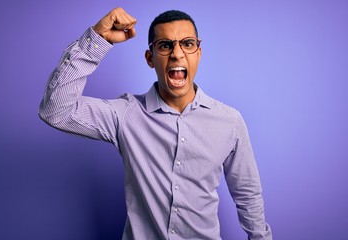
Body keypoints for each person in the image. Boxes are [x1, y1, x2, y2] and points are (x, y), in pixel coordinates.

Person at [39, 7, 272, 240]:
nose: (177, 54)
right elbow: (55, 111)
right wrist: (97, 39)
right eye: (165, 45)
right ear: (150, 58)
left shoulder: (229, 121)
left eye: (187, 44)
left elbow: (247, 195)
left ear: (198, 53)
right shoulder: (126, 114)